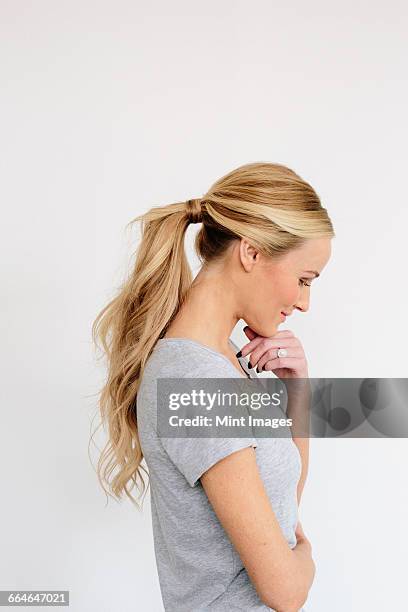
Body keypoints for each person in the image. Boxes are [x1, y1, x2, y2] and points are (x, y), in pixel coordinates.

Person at [92, 162, 335, 611]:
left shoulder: (223, 364)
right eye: (303, 280)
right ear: (252, 252)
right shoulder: (195, 379)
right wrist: (308, 559)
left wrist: (297, 392)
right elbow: (284, 590)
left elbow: (282, 505)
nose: (304, 302)